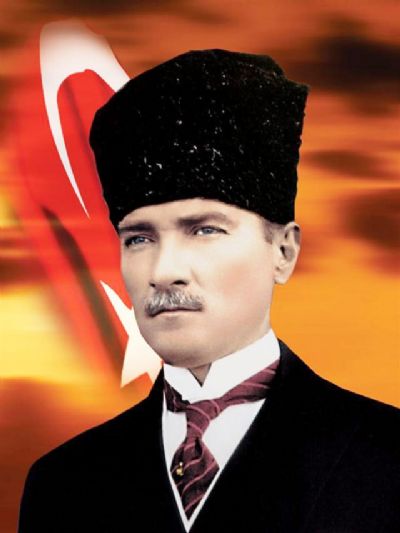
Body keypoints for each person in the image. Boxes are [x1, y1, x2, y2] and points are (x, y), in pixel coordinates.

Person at [19, 49, 399, 533]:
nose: (164, 270)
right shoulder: (62, 484)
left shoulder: (388, 460)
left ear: (284, 252)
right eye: (139, 238)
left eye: (204, 230)